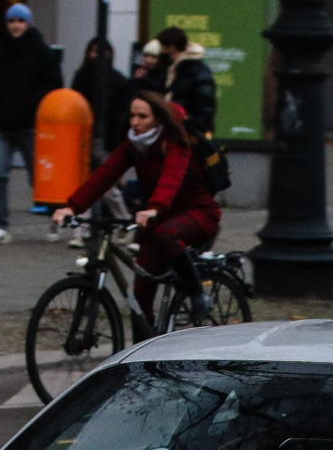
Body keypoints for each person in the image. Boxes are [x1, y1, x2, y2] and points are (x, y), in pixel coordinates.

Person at [51, 94, 220, 326]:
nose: (135, 122)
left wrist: (154, 207)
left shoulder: (175, 140)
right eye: (132, 115)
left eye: (143, 116)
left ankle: (197, 294)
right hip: (157, 218)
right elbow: (104, 175)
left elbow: (172, 176)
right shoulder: (134, 144)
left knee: (167, 234)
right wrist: (72, 207)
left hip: (198, 211)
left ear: (158, 119)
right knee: (140, 297)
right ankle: (142, 352)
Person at [0, 2, 60, 244]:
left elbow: (53, 84)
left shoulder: (41, 51)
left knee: (40, 178)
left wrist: (31, 105)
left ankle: (56, 220)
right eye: (11, 21)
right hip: (3, 125)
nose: (15, 26)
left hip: (29, 125)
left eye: (20, 21)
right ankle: (0, 226)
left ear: (28, 23)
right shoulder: (3, 50)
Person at [146, 25, 216, 142]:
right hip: (171, 130)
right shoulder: (169, 68)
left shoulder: (195, 71)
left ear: (171, 47)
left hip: (187, 134)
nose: (161, 52)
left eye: (163, 48)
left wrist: (194, 131)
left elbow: (204, 109)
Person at [71, 37, 128, 163]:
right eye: (95, 51)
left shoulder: (117, 79)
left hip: (108, 131)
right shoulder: (81, 77)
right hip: (85, 130)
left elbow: (121, 108)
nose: (98, 55)